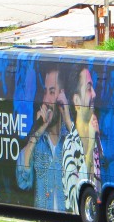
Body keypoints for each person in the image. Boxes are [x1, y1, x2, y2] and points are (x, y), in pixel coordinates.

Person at [16, 64, 72, 211]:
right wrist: (37, 131)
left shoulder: (71, 140)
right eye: (45, 92)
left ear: (61, 96)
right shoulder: (37, 141)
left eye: (52, 92)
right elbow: (23, 180)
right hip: (44, 220)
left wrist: (67, 119)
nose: (46, 99)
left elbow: (83, 164)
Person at [61, 65, 102, 214]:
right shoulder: (70, 146)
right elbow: (73, 204)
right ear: (76, 101)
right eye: (89, 88)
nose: (95, 94)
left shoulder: (97, 136)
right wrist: (91, 145)